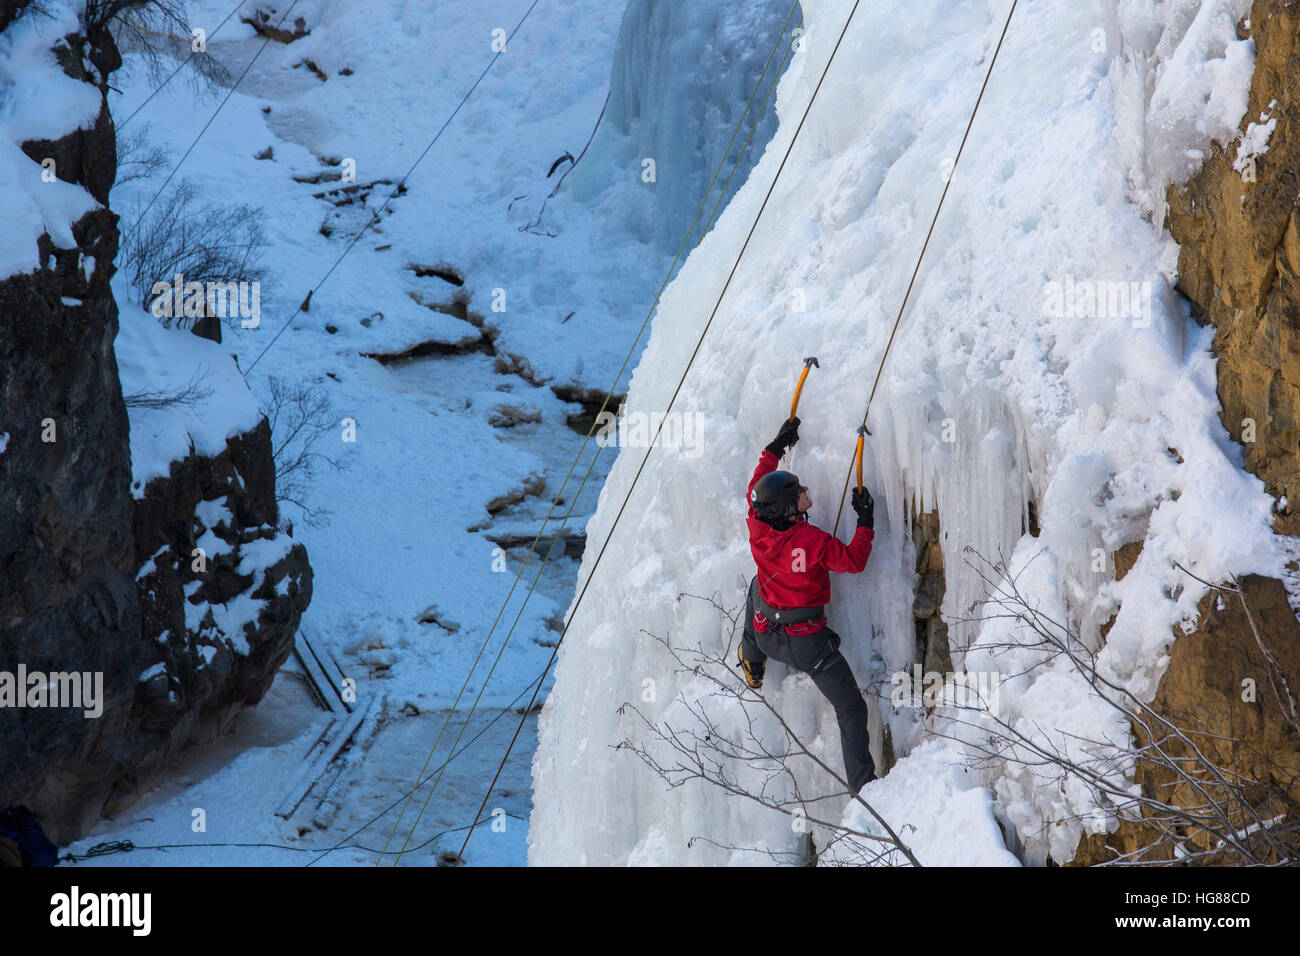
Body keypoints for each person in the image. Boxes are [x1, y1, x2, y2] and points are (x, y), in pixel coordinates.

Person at [739, 416, 878, 791]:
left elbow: (755, 488)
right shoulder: (812, 541)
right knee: (851, 708)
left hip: (767, 629)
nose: (805, 490)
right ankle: (865, 789)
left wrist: (776, 446)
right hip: (807, 646)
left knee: (757, 585)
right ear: (789, 508)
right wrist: (865, 521)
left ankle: (751, 660)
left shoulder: (758, 524)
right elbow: (853, 560)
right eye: (799, 490)